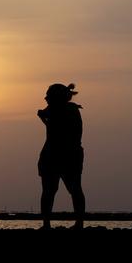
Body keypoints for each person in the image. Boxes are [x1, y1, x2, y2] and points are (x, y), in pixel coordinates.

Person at [37, 83, 86, 230]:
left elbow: (49, 120)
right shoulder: (67, 109)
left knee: (65, 190)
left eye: (49, 97)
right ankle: (75, 223)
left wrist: (43, 117)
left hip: (63, 155)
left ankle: (73, 224)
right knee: (54, 190)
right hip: (60, 155)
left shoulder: (67, 110)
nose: (46, 99)